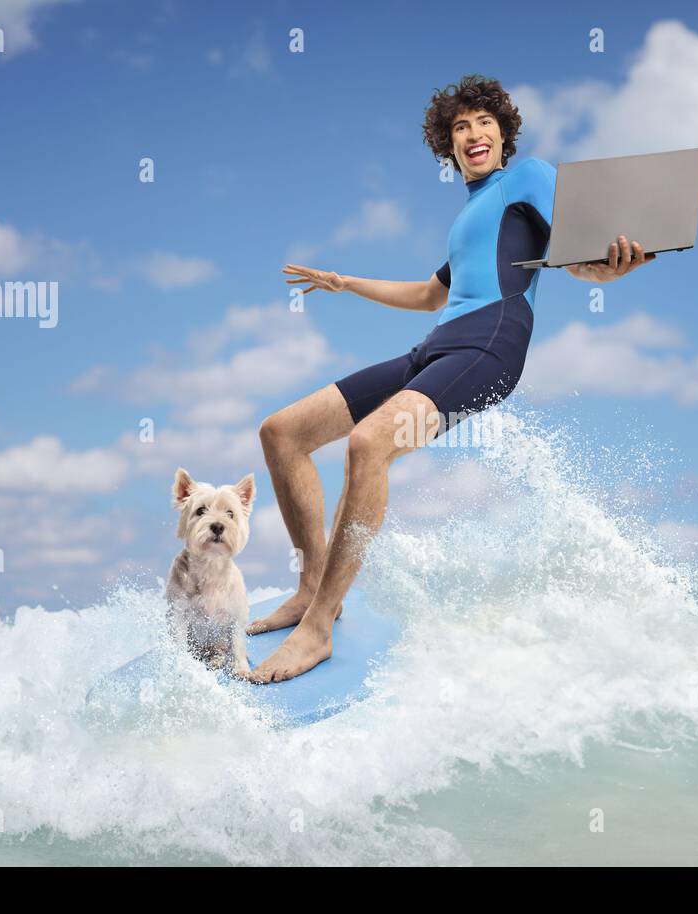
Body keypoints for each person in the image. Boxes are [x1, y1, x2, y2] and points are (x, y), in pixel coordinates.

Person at [247, 73, 655, 683]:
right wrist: (345, 281)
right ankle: (310, 587)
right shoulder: (469, 215)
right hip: (437, 348)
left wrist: (611, 271)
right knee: (282, 432)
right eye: (460, 127)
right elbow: (429, 294)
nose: (473, 133)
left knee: (369, 443)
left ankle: (320, 627)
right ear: (448, 146)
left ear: (503, 132)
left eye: (483, 122)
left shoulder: (531, 177)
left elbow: (582, 262)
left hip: (491, 345)